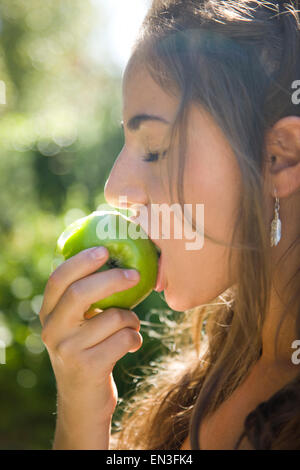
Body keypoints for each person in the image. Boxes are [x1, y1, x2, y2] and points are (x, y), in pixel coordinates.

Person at [39, 0, 300, 450]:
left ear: (278, 158)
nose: (114, 188)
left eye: (155, 149)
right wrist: (83, 410)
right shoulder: (204, 376)